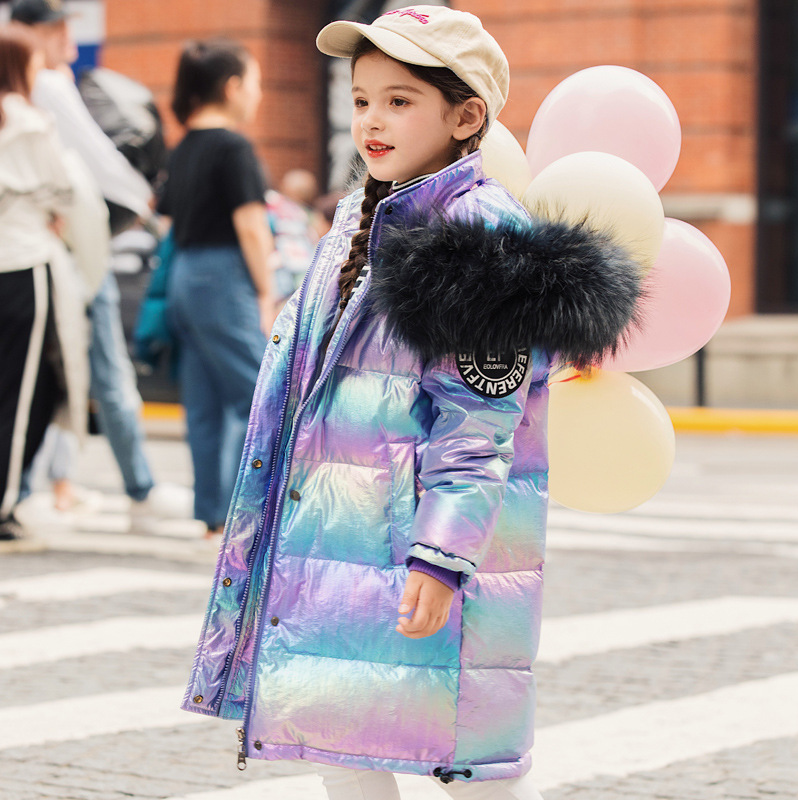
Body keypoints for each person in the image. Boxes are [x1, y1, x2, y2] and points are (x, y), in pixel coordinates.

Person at [181, 6, 642, 799]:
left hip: (422, 544)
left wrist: (443, 554)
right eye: (362, 99)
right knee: (335, 735)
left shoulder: (480, 238)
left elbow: (479, 424)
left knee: (467, 756)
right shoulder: (359, 219)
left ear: (465, 117)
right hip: (337, 533)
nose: (372, 120)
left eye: (399, 101)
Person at [11, 0, 191, 528]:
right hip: (70, 249)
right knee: (103, 369)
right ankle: (137, 489)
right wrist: (144, 202)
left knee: (43, 372)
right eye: (58, 29)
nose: (69, 41)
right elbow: (92, 160)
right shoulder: (45, 86)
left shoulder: (31, 89)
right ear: (33, 33)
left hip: (43, 252)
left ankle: (34, 487)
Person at [158, 40, 276, 537]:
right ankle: (251, 514)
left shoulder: (183, 146)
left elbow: (166, 219)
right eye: (255, 83)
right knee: (260, 394)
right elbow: (251, 226)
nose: (258, 95)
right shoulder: (233, 147)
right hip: (223, 275)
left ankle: (213, 515)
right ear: (232, 87)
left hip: (185, 274)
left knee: (204, 403)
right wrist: (266, 292)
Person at [0, 24, 79, 539]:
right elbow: (64, 191)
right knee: (24, 389)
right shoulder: (29, 120)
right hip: (24, 263)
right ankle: (4, 502)